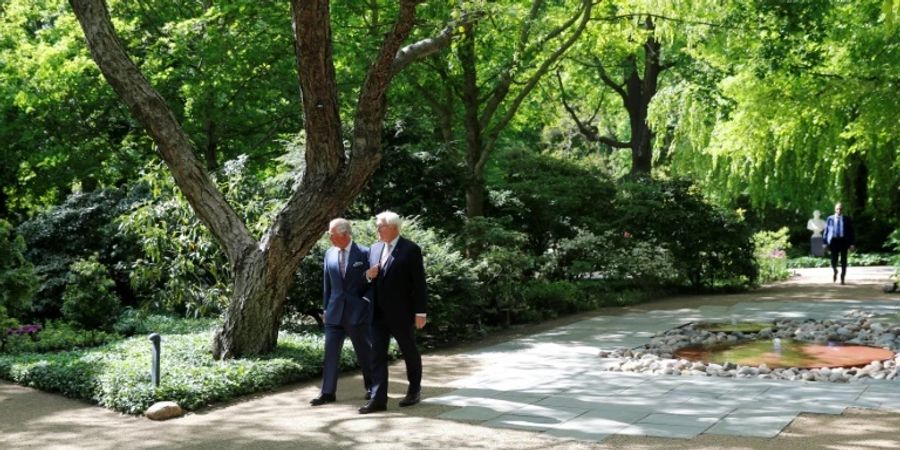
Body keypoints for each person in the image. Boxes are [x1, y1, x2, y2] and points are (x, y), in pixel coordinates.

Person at [358, 211, 427, 414]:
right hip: (377, 313)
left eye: (381, 226)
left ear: (393, 227)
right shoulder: (374, 248)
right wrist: (368, 276)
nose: (377, 230)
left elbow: (419, 284)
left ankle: (414, 389)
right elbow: (364, 283)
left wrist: (420, 312)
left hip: (401, 313)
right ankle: (378, 399)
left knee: (409, 351)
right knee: (377, 355)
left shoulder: (410, 249)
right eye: (377, 226)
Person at [310, 218, 374, 406]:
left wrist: (366, 301)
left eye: (332, 235)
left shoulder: (365, 253)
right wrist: (325, 308)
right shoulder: (329, 253)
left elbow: (374, 282)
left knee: (364, 352)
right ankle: (327, 392)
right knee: (330, 353)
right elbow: (327, 285)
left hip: (357, 312)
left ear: (345, 234)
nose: (329, 239)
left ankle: (372, 387)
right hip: (334, 312)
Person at [823, 202, 855, 285]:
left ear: (842, 210)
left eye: (840, 209)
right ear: (835, 209)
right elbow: (826, 231)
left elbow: (851, 232)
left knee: (844, 260)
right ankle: (835, 270)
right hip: (833, 241)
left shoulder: (847, 219)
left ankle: (842, 277)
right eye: (837, 208)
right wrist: (825, 243)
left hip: (843, 241)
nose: (839, 210)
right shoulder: (829, 218)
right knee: (833, 260)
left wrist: (852, 244)